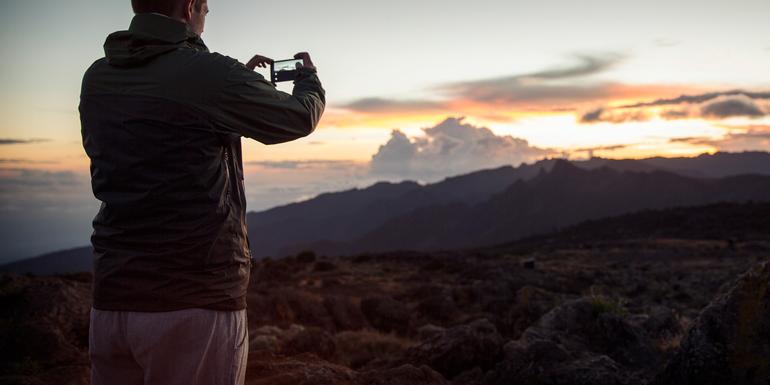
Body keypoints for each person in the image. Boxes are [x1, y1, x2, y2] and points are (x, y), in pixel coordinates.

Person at [79, 0, 325, 384]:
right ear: (190, 6)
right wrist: (308, 79)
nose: (207, 16)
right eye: (207, 8)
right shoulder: (209, 74)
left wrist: (227, 95)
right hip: (192, 300)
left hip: (112, 301)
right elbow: (298, 117)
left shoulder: (97, 76)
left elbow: (155, 145)